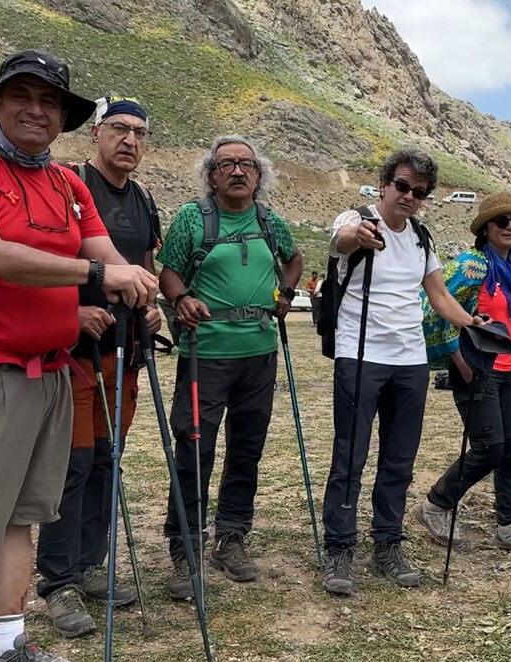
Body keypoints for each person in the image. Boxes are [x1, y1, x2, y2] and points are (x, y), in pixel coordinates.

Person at [0, 49, 159, 662]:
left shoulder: (67, 184)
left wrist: (139, 282)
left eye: (49, 101)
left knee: (20, 520)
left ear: (63, 118)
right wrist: (101, 272)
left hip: (49, 372)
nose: (36, 110)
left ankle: (7, 645)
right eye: (21, 96)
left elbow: (107, 251)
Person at [319, 147, 478, 597]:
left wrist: (471, 322)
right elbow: (341, 241)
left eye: (419, 192)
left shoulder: (421, 237)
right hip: (360, 353)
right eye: (402, 186)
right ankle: (339, 547)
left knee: (400, 457)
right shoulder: (357, 218)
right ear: (385, 183)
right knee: (350, 454)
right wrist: (360, 235)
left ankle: (387, 543)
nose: (409, 196)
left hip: (410, 360)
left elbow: (440, 295)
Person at [34, 96, 161, 637]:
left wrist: (152, 306)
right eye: (118, 129)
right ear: (95, 135)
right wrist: (71, 309)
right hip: (72, 356)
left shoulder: (144, 199)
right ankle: (57, 582)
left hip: (125, 354)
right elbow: (41, 263)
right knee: (73, 464)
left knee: (108, 461)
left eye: (138, 132)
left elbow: (145, 267)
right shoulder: (67, 186)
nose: (129, 140)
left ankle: (89, 566)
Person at [157, 135, 303, 595]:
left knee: (247, 448)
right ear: (211, 174)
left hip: (259, 352)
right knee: (194, 448)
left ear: (259, 175)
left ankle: (231, 536)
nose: (237, 171)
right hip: (207, 352)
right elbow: (169, 269)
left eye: (246, 165)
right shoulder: (192, 218)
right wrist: (180, 298)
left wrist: (283, 293)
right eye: (226, 165)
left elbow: (294, 258)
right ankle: (185, 547)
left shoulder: (270, 220)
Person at [413, 193, 511, 557]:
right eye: (501, 221)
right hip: (475, 367)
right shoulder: (472, 264)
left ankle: (510, 524)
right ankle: (436, 504)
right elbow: (433, 308)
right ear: (485, 228)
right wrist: (458, 359)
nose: (509, 227)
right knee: (490, 447)